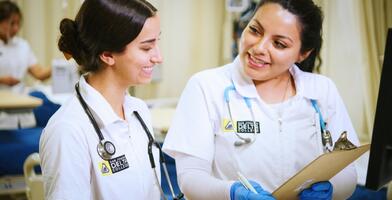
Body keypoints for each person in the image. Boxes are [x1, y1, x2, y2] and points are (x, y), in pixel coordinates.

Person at [162, 0, 360, 199]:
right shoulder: (206, 87)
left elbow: (349, 172)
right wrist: (231, 193)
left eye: (279, 44)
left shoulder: (321, 90)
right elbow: (190, 178)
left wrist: (332, 189)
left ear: (303, 53)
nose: (259, 48)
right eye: (255, 30)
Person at [39, 0, 169, 199]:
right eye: (146, 48)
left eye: (157, 42)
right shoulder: (68, 130)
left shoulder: (139, 111)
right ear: (108, 54)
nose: (158, 57)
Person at [0, 0, 50, 94]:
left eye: (18, 23)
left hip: (21, 100)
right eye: (12, 23)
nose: (16, 28)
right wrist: (1, 80)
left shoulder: (22, 45)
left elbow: (39, 73)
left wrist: (60, 65)